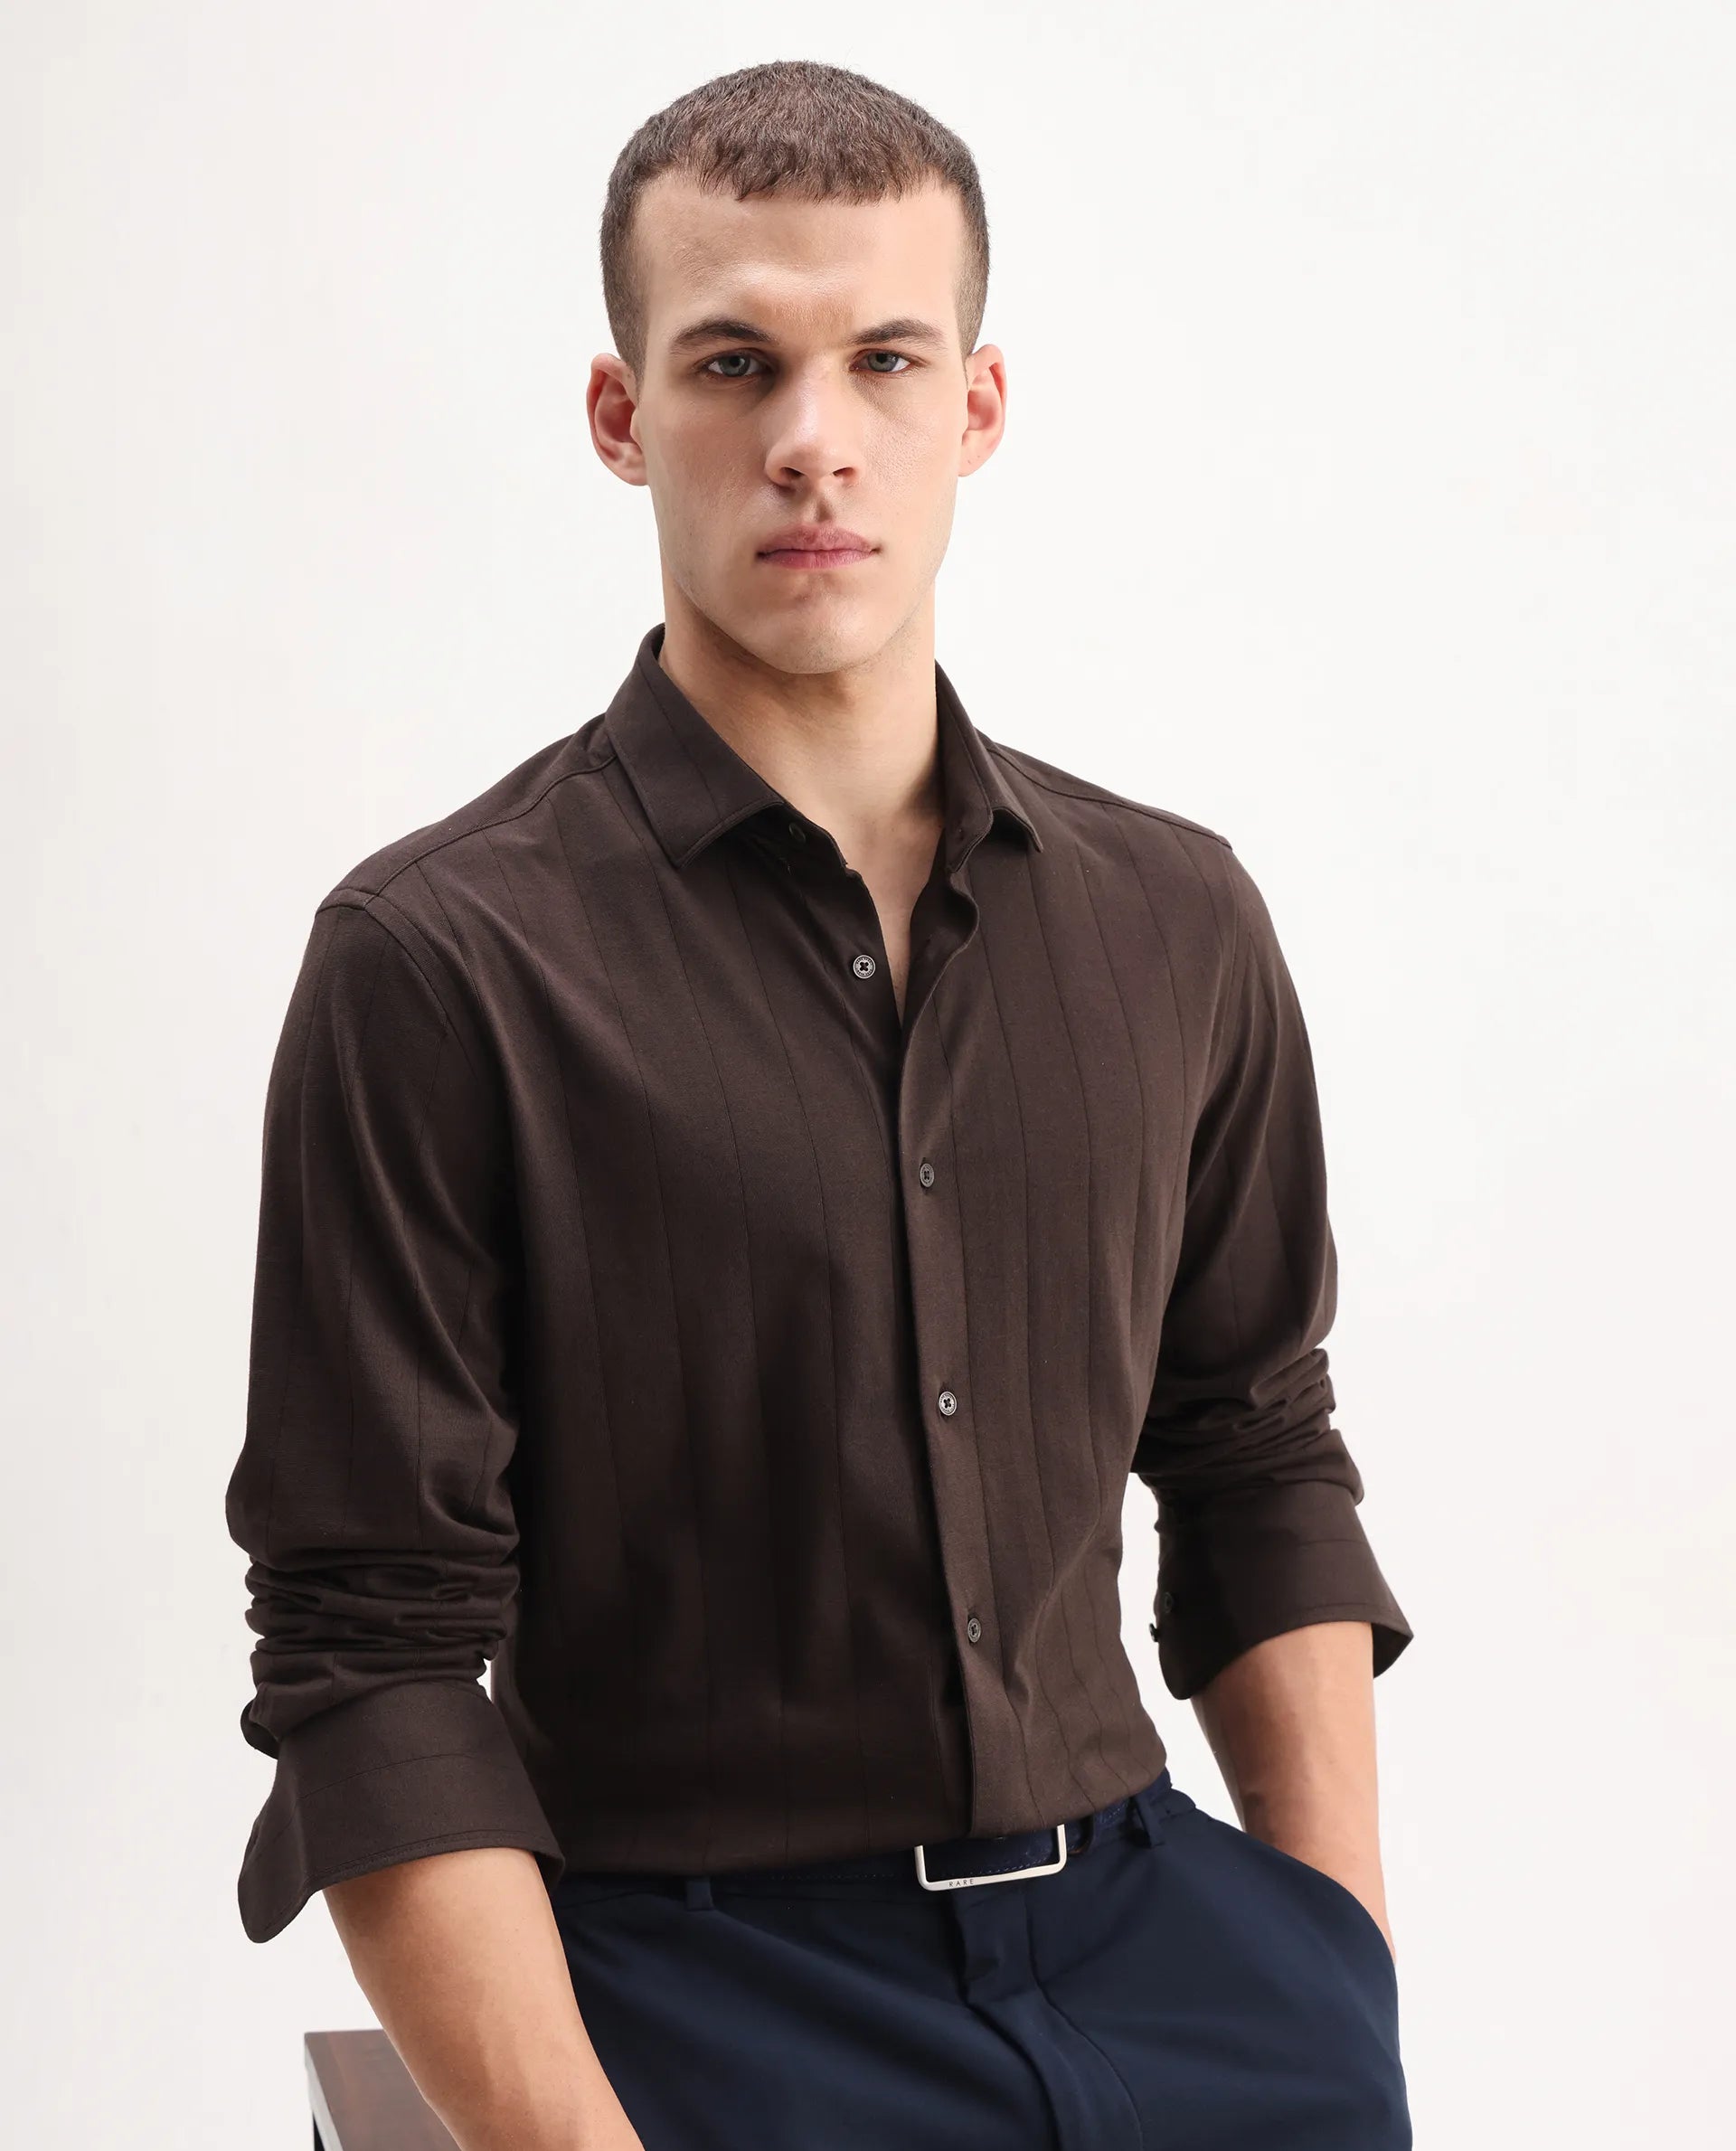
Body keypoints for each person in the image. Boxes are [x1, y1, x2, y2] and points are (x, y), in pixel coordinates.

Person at [225, 56, 1416, 2151]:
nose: (812, 438)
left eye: (883, 358)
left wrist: (1341, 1976)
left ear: (977, 405)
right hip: (692, 1985)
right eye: (733, 363)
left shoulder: (1174, 918)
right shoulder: (439, 964)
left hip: (1172, 1947)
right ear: (622, 415)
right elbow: (372, 1651)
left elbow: (1255, 1449)